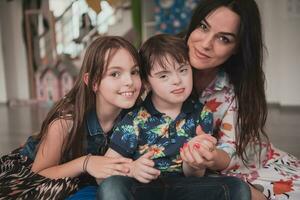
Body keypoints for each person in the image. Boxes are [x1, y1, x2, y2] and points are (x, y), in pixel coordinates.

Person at [97, 34, 251, 200]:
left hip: (185, 189)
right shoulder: (134, 119)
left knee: (238, 188)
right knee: (111, 187)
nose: (177, 80)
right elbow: (101, 177)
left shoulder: (202, 114)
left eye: (183, 70)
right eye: (164, 76)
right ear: (147, 82)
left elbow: (195, 176)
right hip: (144, 190)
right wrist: (132, 169)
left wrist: (194, 160)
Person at [182, 0, 300, 199]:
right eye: (203, 27)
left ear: (237, 47)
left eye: (223, 39)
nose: (205, 44)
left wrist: (210, 157)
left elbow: (230, 148)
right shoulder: (161, 60)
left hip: (238, 158)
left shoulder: (235, 86)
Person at [0, 36, 142, 199]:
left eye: (134, 71)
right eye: (115, 74)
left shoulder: (138, 115)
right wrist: (86, 163)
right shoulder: (65, 122)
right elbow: (38, 174)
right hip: (41, 170)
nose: (129, 81)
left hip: (88, 179)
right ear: (93, 82)